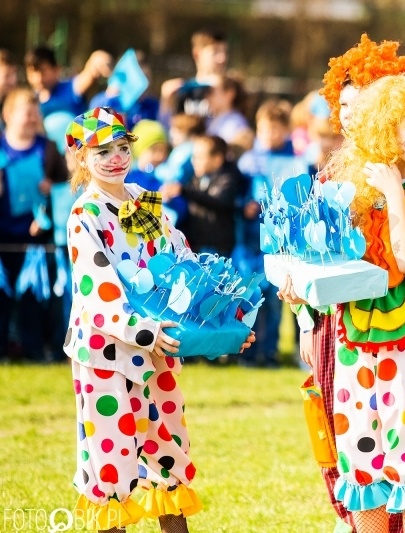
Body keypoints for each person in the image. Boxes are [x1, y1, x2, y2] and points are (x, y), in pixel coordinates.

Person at [63, 106, 254, 532]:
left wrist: (226, 320)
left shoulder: (148, 204)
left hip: (158, 350)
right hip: (108, 354)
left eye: (121, 147)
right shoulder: (84, 216)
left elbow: (184, 264)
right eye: (102, 151)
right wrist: (144, 330)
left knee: (169, 449)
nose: (115, 158)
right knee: (112, 460)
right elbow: (99, 291)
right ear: (82, 159)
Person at [303, 74, 405, 533]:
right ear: (386, 126)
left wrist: (395, 193)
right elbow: (325, 253)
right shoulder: (352, 181)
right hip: (356, 336)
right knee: (361, 457)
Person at [283, 34, 405, 533]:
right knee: (342, 439)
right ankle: (354, 520)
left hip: (400, 333)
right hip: (332, 331)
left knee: (399, 442)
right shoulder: (326, 177)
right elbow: (304, 257)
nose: (350, 116)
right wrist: (298, 302)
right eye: (343, 106)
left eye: (363, 104)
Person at [238, 98, 307, 368]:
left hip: (280, 242)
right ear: (258, 129)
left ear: (287, 130)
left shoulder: (296, 162)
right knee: (250, 297)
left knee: (277, 298)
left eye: (277, 129)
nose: (271, 135)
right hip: (250, 241)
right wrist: (244, 206)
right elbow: (236, 196)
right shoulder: (247, 162)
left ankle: (271, 351)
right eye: (266, 129)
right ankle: (247, 352)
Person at [0, 88, 68, 361]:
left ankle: (32, 350)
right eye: (26, 112)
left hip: (36, 236)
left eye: (35, 112)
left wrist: (50, 186)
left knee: (33, 297)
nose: (31, 118)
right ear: (9, 115)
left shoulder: (47, 147)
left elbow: (65, 183)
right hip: (3, 235)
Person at [162, 135, 241, 256]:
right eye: (193, 157)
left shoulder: (228, 178)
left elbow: (218, 201)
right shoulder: (197, 178)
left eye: (199, 158)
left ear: (217, 159)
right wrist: (170, 198)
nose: (194, 161)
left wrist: (184, 191)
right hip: (198, 245)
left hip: (220, 248)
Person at [24, 46, 112, 119]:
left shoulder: (70, 89)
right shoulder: (30, 100)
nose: (38, 79)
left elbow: (89, 72)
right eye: (32, 73)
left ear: (56, 69)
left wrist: (97, 58)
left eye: (43, 72)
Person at [160, 29, 228, 123]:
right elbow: (168, 128)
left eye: (224, 52)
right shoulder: (182, 90)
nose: (222, 58)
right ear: (197, 54)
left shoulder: (229, 91)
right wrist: (166, 101)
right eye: (215, 52)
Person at [206, 76, 253, 158]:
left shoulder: (236, 123)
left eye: (212, 91)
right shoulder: (209, 119)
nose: (207, 96)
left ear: (229, 94)